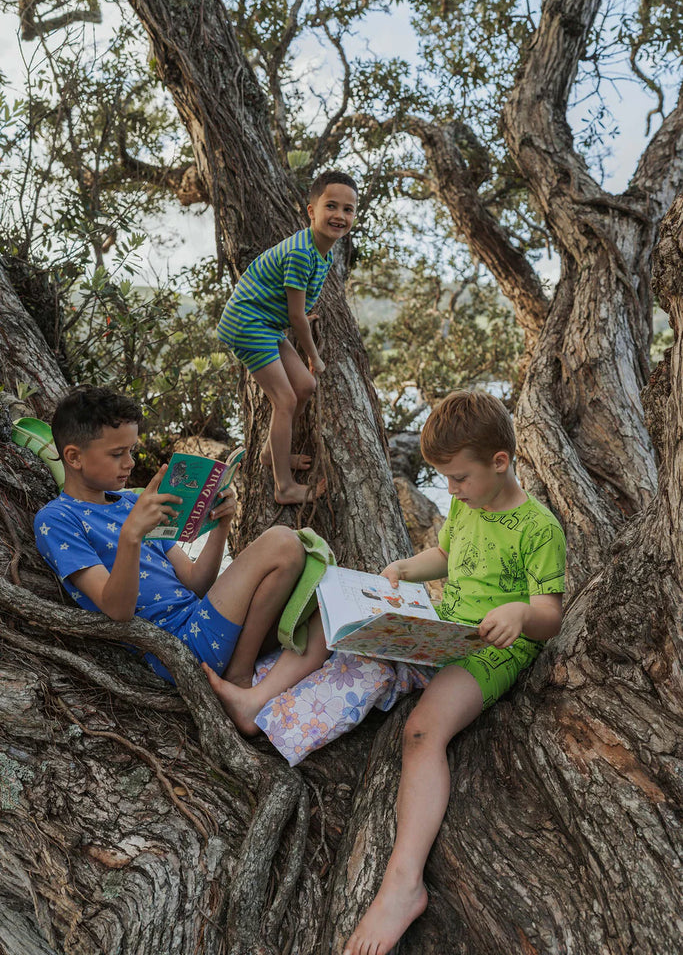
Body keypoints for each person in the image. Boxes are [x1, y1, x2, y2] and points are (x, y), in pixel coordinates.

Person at [343, 390, 566, 955]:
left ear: (501, 462)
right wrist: (403, 570)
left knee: (422, 732)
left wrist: (519, 614)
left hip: (491, 651)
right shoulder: (466, 506)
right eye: (443, 479)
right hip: (442, 630)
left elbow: (550, 615)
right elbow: (444, 557)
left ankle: (403, 884)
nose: (451, 490)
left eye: (459, 478)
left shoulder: (538, 528)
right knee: (348, 648)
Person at [33, 386, 330, 705]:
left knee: (328, 615)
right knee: (283, 541)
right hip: (177, 646)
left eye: (131, 451)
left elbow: (196, 581)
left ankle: (249, 688)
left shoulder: (132, 502)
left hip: (203, 620)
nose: (130, 463)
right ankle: (240, 678)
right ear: (74, 457)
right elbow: (117, 611)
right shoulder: (58, 519)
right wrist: (132, 534)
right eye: (117, 453)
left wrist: (221, 526)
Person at [216, 169, 358, 505]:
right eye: (331, 206)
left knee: (305, 387)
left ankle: (270, 453)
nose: (339, 215)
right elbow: (296, 317)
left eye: (348, 209)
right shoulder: (300, 252)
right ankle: (285, 487)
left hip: (267, 322)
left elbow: (295, 306)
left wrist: (296, 317)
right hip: (248, 323)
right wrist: (314, 355)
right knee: (286, 400)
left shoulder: (323, 252)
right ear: (312, 210)